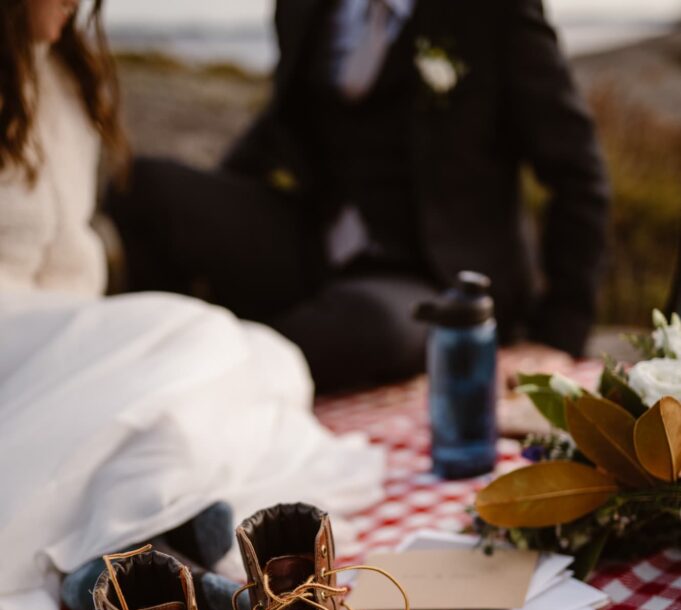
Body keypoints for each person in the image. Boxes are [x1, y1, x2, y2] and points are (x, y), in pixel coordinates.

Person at [0, 0, 383, 610]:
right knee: (198, 337)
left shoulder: (68, 70)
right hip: (15, 331)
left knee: (259, 357)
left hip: (69, 324)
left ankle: (123, 556)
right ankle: (146, 530)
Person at [109, 0, 610, 393]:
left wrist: (556, 335)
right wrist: (216, 217)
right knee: (146, 185)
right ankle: (180, 359)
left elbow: (578, 172)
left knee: (375, 327)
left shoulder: (493, 8)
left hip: (435, 280)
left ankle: (202, 366)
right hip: (319, 239)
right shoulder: (304, 4)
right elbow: (280, 121)